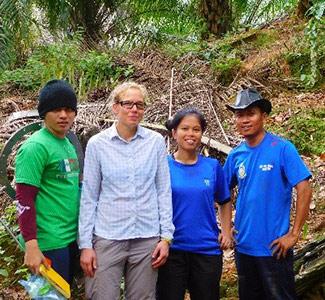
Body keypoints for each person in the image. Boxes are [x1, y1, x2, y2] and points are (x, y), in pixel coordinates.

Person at [78, 81, 174, 300]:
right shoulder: (97, 144)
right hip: (108, 236)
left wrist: (166, 237)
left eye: (139, 105)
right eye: (127, 103)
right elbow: (89, 196)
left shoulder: (155, 142)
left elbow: (163, 191)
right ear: (115, 107)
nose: (134, 109)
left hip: (147, 238)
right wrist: (85, 245)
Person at [223, 87, 312, 300]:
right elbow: (222, 193)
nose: (244, 120)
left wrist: (294, 233)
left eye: (250, 113)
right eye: (239, 115)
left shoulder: (282, 148)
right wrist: (226, 229)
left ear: (263, 116)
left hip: (274, 248)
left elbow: (304, 187)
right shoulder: (236, 155)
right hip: (244, 247)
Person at [157, 108, 232, 300]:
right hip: (172, 249)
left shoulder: (212, 166)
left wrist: (226, 231)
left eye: (196, 129)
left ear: (202, 134)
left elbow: (224, 201)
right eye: (185, 128)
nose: (190, 134)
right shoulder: (163, 166)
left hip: (206, 249)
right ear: (174, 133)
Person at [15, 79, 80, 284]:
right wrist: (32, 245)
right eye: (56, 109)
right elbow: (24, 200)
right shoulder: (35, 147)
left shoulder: (66, 143)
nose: (63, 115)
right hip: (48, 242)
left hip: (69, 238)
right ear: (44, 113)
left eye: (69, 109)